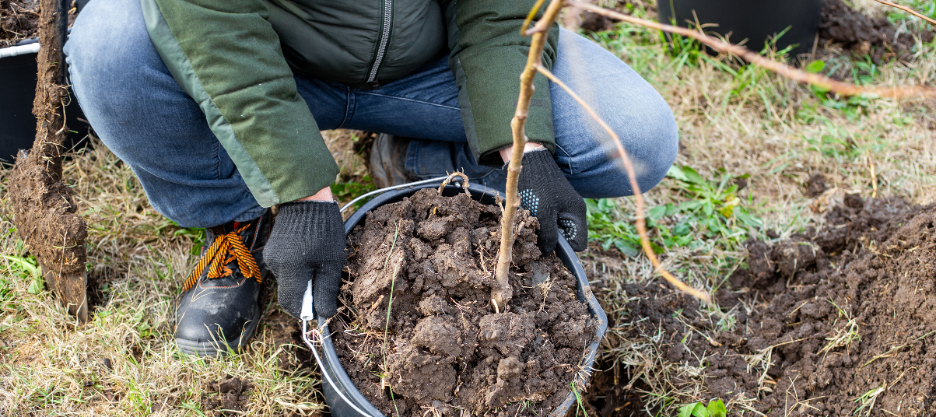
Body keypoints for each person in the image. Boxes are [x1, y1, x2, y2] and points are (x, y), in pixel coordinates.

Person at [65, 0, 678, 357]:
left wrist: (527, 148)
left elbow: (497, 8)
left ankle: (413, 158)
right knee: (110, 46)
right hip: (273, 58)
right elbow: (206, 16)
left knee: (635, 138)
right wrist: (300, 194)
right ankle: (237, 211)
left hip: (432, 65)